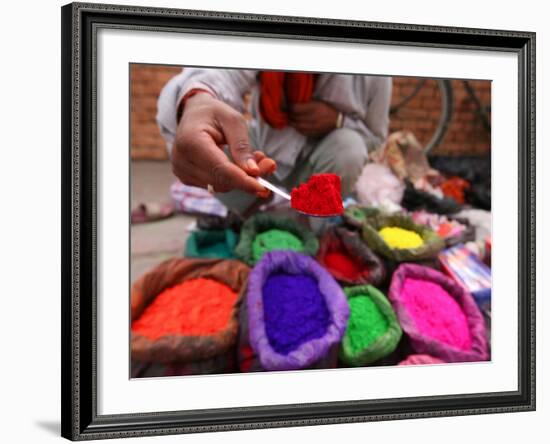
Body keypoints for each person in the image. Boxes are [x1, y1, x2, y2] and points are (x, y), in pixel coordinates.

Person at [157, 69, 392, 216]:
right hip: (265, 150)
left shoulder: (374, 70)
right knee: (213, 146)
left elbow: (376, 137)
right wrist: (198, 98)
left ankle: (309, 225)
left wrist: (339, 121)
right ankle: (252, 217)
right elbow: (222, 73)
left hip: (322, 158)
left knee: (350, 148)